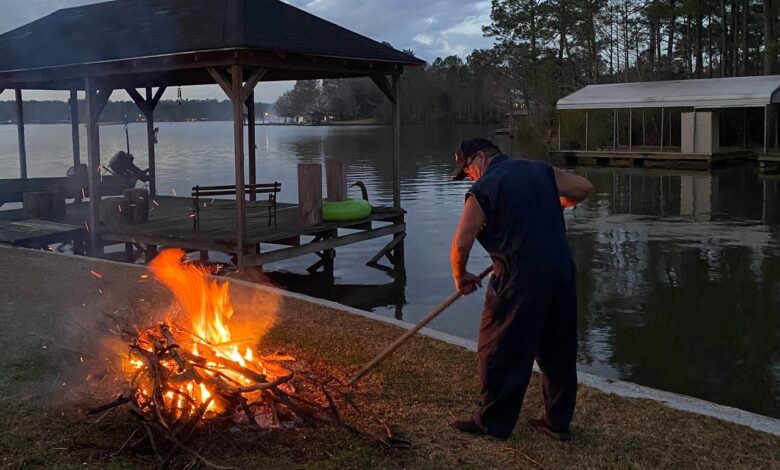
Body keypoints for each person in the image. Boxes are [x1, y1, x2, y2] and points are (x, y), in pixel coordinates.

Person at [449, 138, 593, 441]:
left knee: (497, 348)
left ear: (478, 158)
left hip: (519, 275)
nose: (470, 177)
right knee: (558, 349)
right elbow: (583, 188)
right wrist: (555, 203)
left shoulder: (484, 188)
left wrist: (460, 276)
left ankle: (493, 424)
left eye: (468, 171)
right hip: (561, 271)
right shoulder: (539, 170)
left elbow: (462, 241)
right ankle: (558, 424)